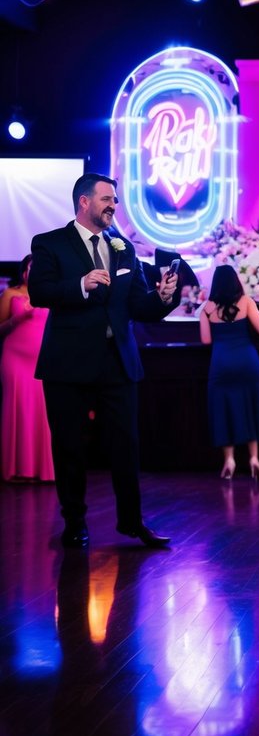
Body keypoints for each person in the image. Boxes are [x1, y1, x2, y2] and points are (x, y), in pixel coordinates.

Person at [28, 172, 180, 549]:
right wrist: (81, 284)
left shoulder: (123, 247)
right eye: (106, 199)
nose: (113, 205)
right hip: (68, 364)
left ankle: (132, 523)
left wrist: (161, 298)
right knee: (69, 447)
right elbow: (38, 292)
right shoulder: (50, 244)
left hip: (118, 362)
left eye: (115, 200)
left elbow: (137, 305)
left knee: (126, 446)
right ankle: (74, 523)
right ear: (84, 202)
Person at [199, 265, 259, 479]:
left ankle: (229, 460)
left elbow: (206, 340)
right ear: (236, 281)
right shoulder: (246, 302)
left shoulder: (206, 308)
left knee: (223, 409)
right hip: (247, 361)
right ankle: (254, 458)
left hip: (221, 363)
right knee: (251, 404)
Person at [0, 255, 54, 481]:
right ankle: (15, 469)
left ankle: (42, 470)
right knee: (17, 408)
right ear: (24, 272)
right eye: (32, 267)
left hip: (43, 362)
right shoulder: (11, 294)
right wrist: (17, 320)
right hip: (15, 359)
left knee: (42, 412)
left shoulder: (52, 296)